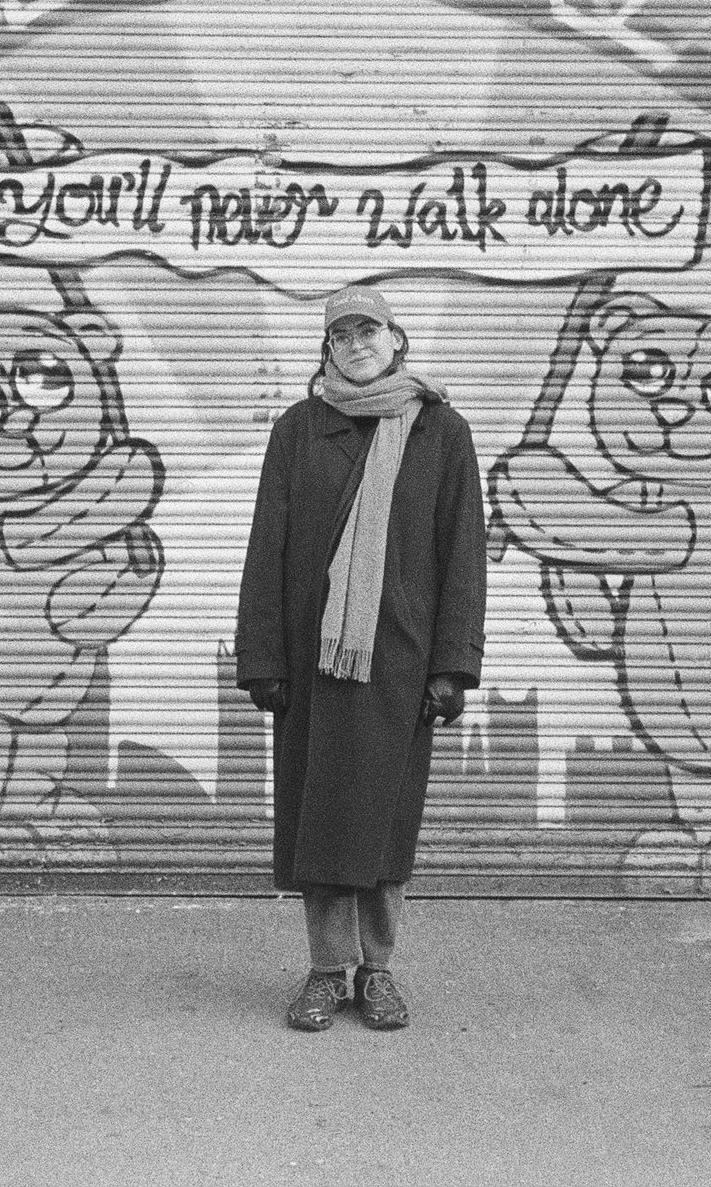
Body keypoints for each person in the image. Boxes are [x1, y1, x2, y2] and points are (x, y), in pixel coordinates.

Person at [235, 284, 487, 1032]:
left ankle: (376, 970)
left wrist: (452, 664)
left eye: (367, 330)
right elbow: (267, 546)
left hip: (397, 662)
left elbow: (462, 554)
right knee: (319, 821)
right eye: (340, 334)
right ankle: (323, 970)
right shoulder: (297, 429)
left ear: (396, 339)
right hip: (315, 661)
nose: (355, 344)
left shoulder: (442, 432)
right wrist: (263, 655)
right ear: (326, 349)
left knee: (382, 825)